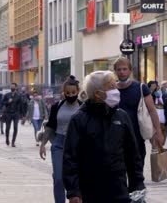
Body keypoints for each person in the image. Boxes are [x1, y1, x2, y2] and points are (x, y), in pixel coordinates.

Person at [62, 70, 145, 203]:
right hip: (89, 192)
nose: (116, 90)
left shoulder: (121, 116)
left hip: (119, 190)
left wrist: (138, 186)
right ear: (97, 94)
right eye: (111, 87)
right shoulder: (79, 119)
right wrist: (73, 192)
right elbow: (70, 158)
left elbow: (133, 155)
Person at [113, 57, 164, 169]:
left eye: (124, 69)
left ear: (130, 70)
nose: (122, 72)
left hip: (136, 135)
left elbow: (152, 110)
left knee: (137, 168)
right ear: (115, 71)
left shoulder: (140, 88)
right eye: (119, 69)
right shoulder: (111, 89)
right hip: (116, 137)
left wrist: (158, 132)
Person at [40, 76, 82, 203]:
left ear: (78, 91)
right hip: (59, 144)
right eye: (67, 93)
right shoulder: (56, 107)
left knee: (77, 178)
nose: (70, 95)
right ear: (64, 92)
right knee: (58, 178)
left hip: (77, 145)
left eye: (73, 92)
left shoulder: (83, 107)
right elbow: (50, 127)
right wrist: (43, 144)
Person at [3, 83, 23, 147]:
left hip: (16, 113)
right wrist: (8, 102)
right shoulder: (7, 95)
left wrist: (23, 114)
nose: (12, 87)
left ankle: (13, 142)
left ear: (16, 87)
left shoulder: (19, 96)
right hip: (8, 113)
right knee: (7, 128)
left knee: (15, 127)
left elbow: (21, 105)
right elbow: (2, 102)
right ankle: (7, 139)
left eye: (13, 86)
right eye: (11, 86)